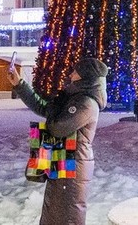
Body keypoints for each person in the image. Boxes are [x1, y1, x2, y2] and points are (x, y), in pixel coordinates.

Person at [8, 57, 108, 225]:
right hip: (63, 159)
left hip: (73, 164)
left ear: (86, 76)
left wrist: (54, 110)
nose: (71, 74)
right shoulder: (73, 98)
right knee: (55, 211)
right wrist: (19, 84)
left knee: (66, 214)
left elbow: (57, 127)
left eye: (76, 72)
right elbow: (43, 107)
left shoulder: (86, 103)